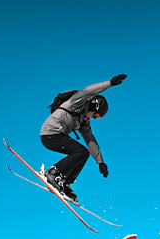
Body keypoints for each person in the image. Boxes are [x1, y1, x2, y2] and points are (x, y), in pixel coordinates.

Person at [40, 74, 127, 203]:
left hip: (56, 136)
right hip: (50, 133)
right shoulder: (77, 102)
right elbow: (87, 91)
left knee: (84, 153)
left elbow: (90, 140)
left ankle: (64, 182)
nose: (94, 118)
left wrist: (100, 162)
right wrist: (110, 83)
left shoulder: (83, 121)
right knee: (80, 152)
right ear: (95, 106)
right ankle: (53, 173)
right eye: (97, 116)